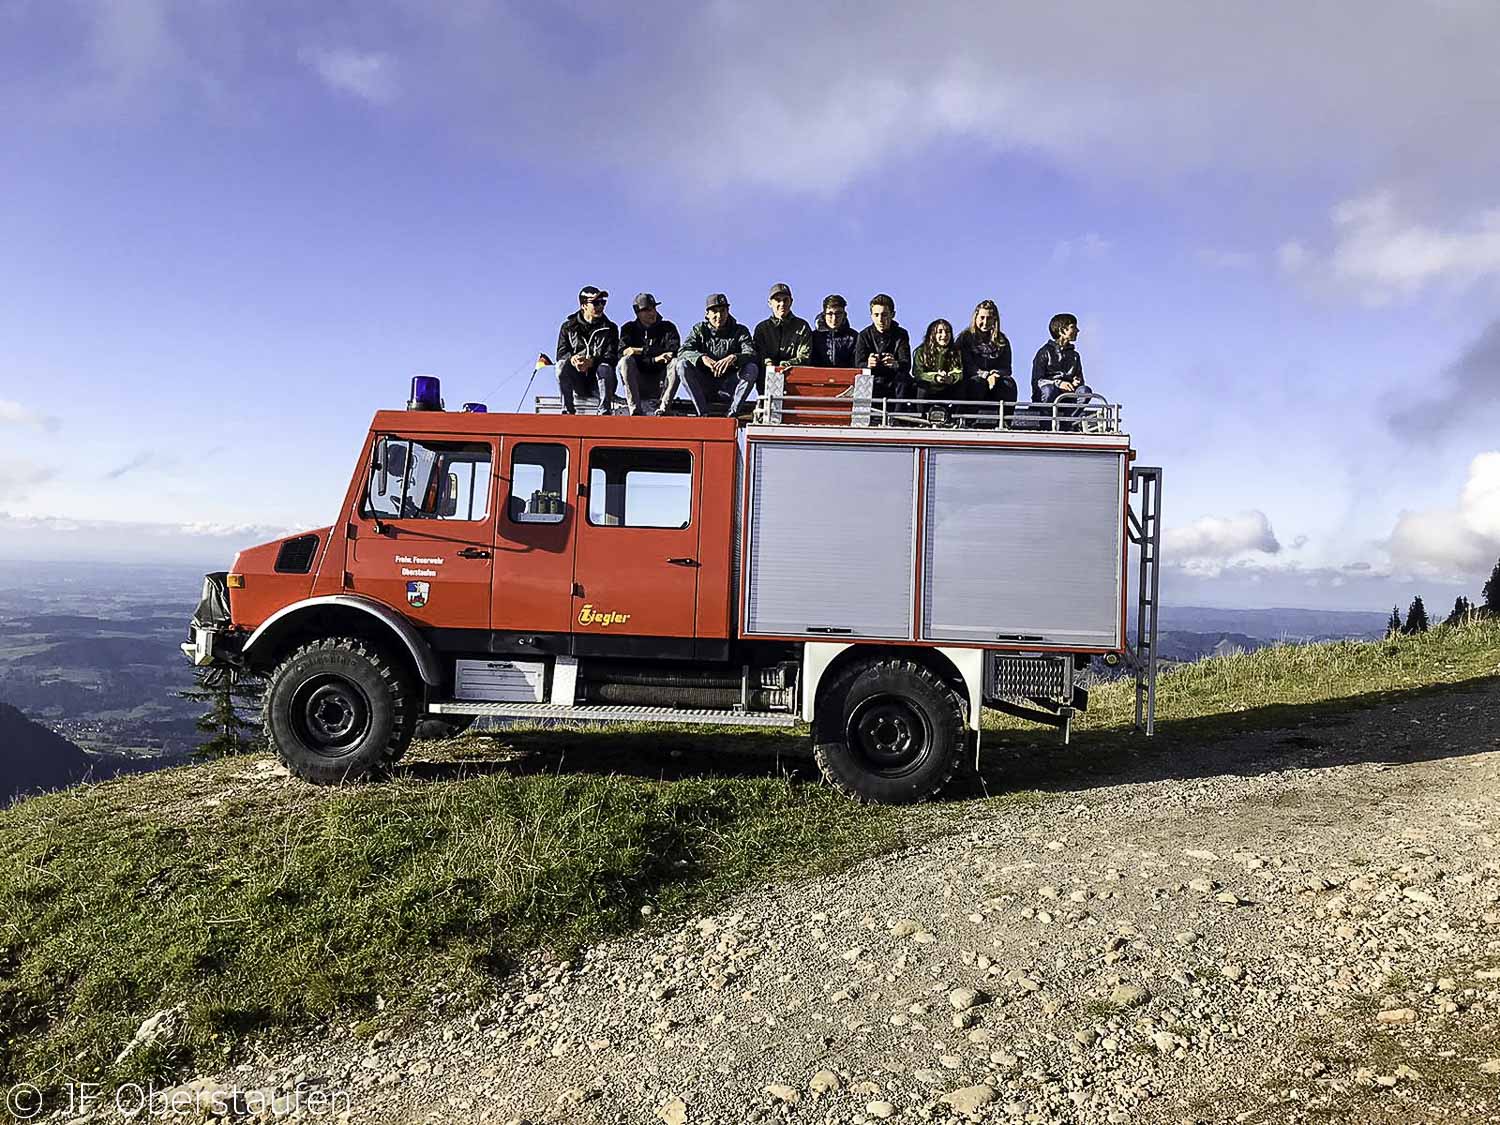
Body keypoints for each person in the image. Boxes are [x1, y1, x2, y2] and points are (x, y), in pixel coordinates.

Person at [673, 293, 760, 416]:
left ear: (728, 311)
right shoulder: (699, 330)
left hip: (729, 387)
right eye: (714, 311)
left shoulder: (740, 331)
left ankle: (733, 413)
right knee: (681, 365)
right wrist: (702, 358)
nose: (719, 315)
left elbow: (751, 353)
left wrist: (734, 357)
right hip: (704, 386)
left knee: (752, 368)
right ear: (707, 314)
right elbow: (683, 351)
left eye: (722, 311)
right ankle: (702, 413)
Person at [555, 285, 619, 414]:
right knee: (561, 365)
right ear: (583, 305)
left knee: (605, 368)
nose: (601, 306)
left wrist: (591, 362)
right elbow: (561, 354)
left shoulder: (610, 328)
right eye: (596, 303)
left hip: (600, 381)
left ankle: (604, 412)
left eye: (603, 302)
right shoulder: (568, 327)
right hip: (577, 382)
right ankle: (567, 411)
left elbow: (612, 357)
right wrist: (573, 360)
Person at [618, 293, 680, 416]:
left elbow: (673, 351)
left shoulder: (668, 328)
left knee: (676, 363)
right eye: (646, 310)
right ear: (637, 312)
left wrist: (638, 351)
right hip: (638, 381)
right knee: (625, 362)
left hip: (660, 381)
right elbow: (623, 352)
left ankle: (663, 409)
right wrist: (655, 358)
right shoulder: (628, 329)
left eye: (653, 308)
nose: (652, 313)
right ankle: (634, 410)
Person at [955, 299, 1015, 423]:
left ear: (994, 320)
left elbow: (1007, 368)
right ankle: (967, 421)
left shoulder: (1002, 341)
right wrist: (985, 375)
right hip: (971, 383)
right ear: (976, 318)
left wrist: (995, 374)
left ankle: (1005, 422)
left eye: (989, 318)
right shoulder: (965, 338)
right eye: (982, 317)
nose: (985, 322)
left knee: (1009, 384)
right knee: (977, 383)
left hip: (995, 383)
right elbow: (965, 365)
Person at [1031, 312, 1093, 430]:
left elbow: (1080, 381)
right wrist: (1058, 383)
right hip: (1047, 395)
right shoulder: (1044, 352)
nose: (1077, 330)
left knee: (1085, 391)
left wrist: (1076, 382)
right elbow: (1037, 381)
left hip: (1067, 397)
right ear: (1062, 330)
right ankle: (1046, 426)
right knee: (1049, 390)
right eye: (1073, 327)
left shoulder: (1075, 356)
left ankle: (1066, 424)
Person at [752, 283, 812, 386]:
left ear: (791, 302)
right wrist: (768, 363)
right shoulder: (761, 328)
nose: (782, 304)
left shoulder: (802, 326)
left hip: (794, 379)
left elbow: (805, 356)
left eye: (785, 300)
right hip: (766, 380)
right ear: (770, 303)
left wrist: (786, 365)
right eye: (777, 300)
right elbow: (759, 353)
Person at [855, 293, 912, 399]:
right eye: (876, 315)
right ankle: (863, 415)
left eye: (884, 315)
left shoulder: (901, 334)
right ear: (871, 316)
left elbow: (906, 364)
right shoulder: (863, 335)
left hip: (894, 380)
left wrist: (895, 364)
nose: (880, 319)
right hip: (872, 380)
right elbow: (858, 364)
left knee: (904, 379)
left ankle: (898, 415)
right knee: (861, 380)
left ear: (892, 314)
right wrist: (868, 364)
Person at [911, 318, 964, 399]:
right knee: (920, 386)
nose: (944, 335)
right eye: (940, 332)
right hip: (929, 388)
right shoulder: (921, 351)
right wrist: (935, 377)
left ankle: (956, 411)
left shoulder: (955, 352)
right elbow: (918, 373)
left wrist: (951, 377)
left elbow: (959, 372)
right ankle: (921, 411)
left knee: (961, 386)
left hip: (948, 388)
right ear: (932, 334)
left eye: (947, 332)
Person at [808, 294, 859, 367]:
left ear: (844, 315)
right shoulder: (814, 337)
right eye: (830, 314)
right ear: (824, 315)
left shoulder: (854, 337)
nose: (834, 318)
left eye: (838, 314)